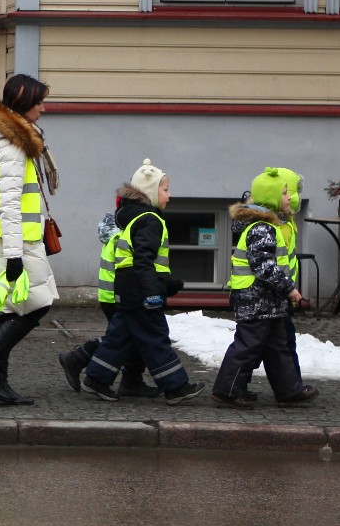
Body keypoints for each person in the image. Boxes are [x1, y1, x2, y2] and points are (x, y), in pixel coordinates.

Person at [70, 160, 206, 404]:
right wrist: (153, 292)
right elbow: (143, 261)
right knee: (155, 337)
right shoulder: (150, 220)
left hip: (128, 288)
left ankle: (96, 379)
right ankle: (175, 387)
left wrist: (165, 283)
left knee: (120, 338)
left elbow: (139, 260)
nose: (170, 195)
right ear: (151, 192)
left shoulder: (133, 218)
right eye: (165, 190)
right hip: (141, 291)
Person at [0, 75, 60, 405]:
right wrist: (15, 256)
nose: (44, 110)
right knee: (37, 304)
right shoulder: (11, 145)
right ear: (23, 105)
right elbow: (8, 203)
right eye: (39, 103)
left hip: (6, 238)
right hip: (12, 241)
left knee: (10, 310)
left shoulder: (5, 140)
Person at [208, 167, 317, 410]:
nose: (289, 198)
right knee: (248, 346)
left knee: (278, 346)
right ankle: (227, 390)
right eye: (285, 193)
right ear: (271, 197)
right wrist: (289, 288)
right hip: (255, 300)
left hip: (268, 301)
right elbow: (264, 267)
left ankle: (289, 390)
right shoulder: (262, 229)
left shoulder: (269, 226)